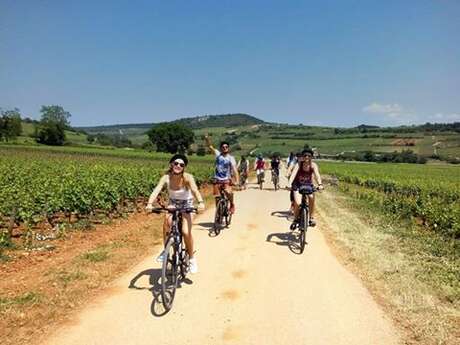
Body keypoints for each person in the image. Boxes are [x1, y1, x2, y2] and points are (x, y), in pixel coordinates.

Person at [146, 154, 205, 274]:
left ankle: (192, 258)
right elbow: (156, 190)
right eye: (176, 163)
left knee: (185, 231)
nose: (178, 166)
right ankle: (166, 250)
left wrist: (200, 202)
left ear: (184, 168)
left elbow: (195, 190)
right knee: (166, 225)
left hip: (187, 204)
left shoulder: (188, 177)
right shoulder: (166, 177)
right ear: (171, 164)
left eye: (181, 165)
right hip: (173, 203)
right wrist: (149, 203)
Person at [288, 148, 323, 227]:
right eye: (305, 155)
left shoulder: (313, 165)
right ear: (302, 156)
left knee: (311, 198)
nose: (307, 157)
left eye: (309, 156)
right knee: (297, 203)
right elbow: (293, 174)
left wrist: (320, 184)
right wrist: (289, 183)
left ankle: (311, 218)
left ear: (311, 157)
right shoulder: (298, 164)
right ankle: (296, 219)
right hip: (297, 185)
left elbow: (317, 175)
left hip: (308, 185)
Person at [205, 135, 239, 214]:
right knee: (217, 197)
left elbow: (235, 170)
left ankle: (232, 204)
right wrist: (207, 139)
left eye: (226, 147)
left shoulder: (231, 158)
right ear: (221, 148)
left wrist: (237, 181)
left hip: (226, 179)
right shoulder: (218, 154)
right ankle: (219, 213)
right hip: (217, 179)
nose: (225, 148)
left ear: (228, 148)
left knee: (228, 192)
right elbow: (210, 146)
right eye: (223, 147)